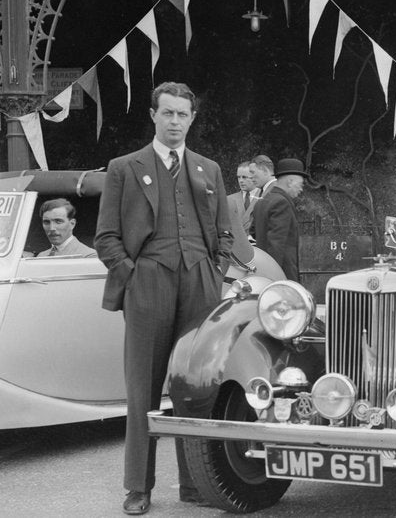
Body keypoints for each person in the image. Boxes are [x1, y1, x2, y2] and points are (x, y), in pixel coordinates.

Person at [95, 81, 232, 515]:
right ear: (153, 115)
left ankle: (196, 483)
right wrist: (132, 276)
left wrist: (216, 269)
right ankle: (139, 487)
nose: (175, 121)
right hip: (148, 280)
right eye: (167, 113)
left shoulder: (208, 168)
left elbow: (226, 232)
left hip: (200, 281)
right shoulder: (124, 167)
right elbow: (105, 238)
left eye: (183, 114)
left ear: (192, 118)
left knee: (197, 385)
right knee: (144, 389)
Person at [251, 158, 307, 282]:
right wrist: (275, 278)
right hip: (281, 275)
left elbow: (253, 233)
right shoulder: (282, 203)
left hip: (263, 271)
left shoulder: (262, 201)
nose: (301, 189)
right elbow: (276, 244)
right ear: (290, 181)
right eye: (300, 184)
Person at [227, 160, 258, 232]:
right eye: (238, 177)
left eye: (244, 177)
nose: (240, 180)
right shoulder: (229, 200)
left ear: (254, 176)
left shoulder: (264, 197)